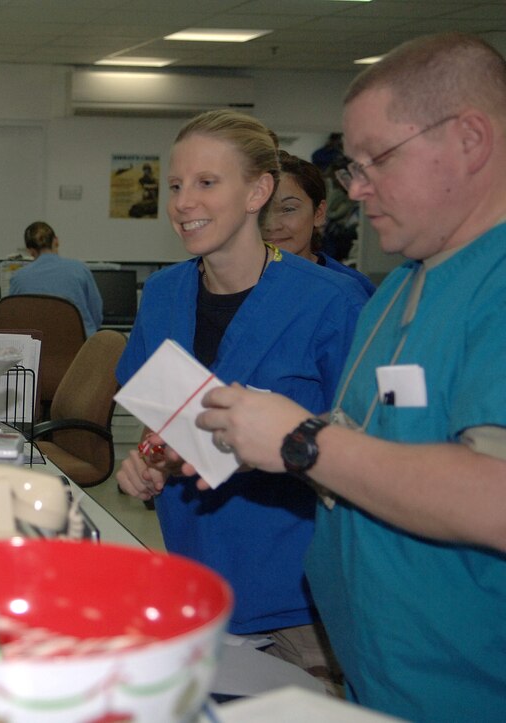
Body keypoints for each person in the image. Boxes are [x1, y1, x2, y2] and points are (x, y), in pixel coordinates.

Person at [194, 33, 506, 721]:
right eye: (351, 168)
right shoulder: (401, 284)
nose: (357, 189)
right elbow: (378, 448)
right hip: (380, 675)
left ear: (470, 139)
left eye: (376, 161)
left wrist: (304, 441)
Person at [114, 110, 368, 685]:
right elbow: (171, 427)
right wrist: (151, 461)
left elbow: (370, 454)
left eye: (206, 183)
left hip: (298, 607)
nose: (183, 201)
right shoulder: (162, 296)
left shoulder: (334, 303)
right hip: (193, 587)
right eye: (175, 186)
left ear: (258, 191)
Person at [261, 150, 376, 297]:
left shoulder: (350, 291)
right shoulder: (230, 285)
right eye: (260, 210)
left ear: (319, 213)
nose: (271, 225)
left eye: (288, 209)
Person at [7, 221, 104, 336]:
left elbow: (12, 319)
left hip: (38, 347)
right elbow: (96, 314)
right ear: (56, 241)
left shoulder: (18, 278)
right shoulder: (80, 269)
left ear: (30, 251)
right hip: (79, 346)